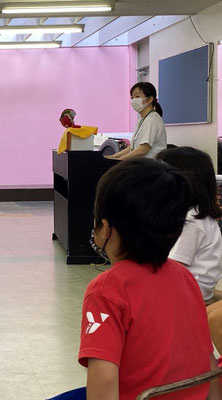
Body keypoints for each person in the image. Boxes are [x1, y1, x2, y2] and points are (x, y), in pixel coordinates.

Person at [81, 159, 215, 399]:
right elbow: (208, 359)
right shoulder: (185, 277)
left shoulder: (106, 290)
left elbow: (104, 379)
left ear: (104, 228)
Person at [156, 146, 222, 304]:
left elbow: (173, 266)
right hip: (190, 288)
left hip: (189, 294)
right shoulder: (193, 214)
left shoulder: (192, 221)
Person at [106, 82, 167, 160]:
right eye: (132, 97)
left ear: (150, 99)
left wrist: (119, 160)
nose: (134, 100)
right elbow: (133, 147)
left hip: (151, 167)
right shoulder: (142, 120)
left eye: (137, 96)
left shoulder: (152, 119)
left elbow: (143, 149)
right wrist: (113, 157)